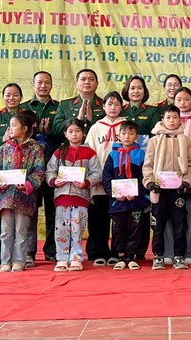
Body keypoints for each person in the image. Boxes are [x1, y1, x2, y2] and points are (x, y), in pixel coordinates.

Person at [0, 112, 45, 272]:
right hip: (5, 196)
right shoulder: (3, 149)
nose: (10, 129)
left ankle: (19, 260)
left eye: (14, 125)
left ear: (24, 128)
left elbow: (39, 172)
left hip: (24, 196)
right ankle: (5, 261)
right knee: (6, 231)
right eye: (10, 125)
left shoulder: (35, 149)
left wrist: (28, 184)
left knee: (21, 230)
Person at [45, 118, 102, 272]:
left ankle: (76, 258)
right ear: (65, 134)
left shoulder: (90, 153)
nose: (74, 134)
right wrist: (54, 181)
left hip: (81, 197)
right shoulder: (59, 152)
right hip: (62, 197)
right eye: (70, 131)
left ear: (83, 133)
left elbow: (97, 173)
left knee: (77, 228)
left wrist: (86, 182)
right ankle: (62, 258)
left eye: (77, 131)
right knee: (61, 229)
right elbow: (50, 170)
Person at [143, 105, 191, 270]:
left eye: (175, 117)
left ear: (180, 119)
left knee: (180, 225)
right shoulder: (154, 141)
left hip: (178, 191)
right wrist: (150, 183)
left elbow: (190, 165)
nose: (172, 121)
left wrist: (186, 183)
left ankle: (179, 256)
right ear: (162, 120)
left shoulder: (186, 141)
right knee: (158, 224)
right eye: (168, 117)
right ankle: (158, 256)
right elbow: (148, 165)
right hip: (159, 190)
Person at [0, 83, 25, 266]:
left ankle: (21, 255)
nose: (11, 98)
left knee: (22, 213)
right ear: (3, 97)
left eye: (15, 95)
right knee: (0, 212)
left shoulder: (26, 115)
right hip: (1, 168)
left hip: (23, 168)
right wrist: (1, 140)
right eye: (8, 95)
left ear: (21, 97)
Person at [21, 71, 59, 263]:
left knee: (53, 210)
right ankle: (29, 251)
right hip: (30, 169)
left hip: (53, 166)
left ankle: (51, 250)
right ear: (33, 85)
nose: (43, 86)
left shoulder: (59, 108)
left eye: (47, 82)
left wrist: (49, 131)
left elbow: (66, 133)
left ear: (51, 85)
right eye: (39, 82)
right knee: (30, 210)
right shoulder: (23, 108)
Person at [84, 91, 126, 266]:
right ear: (103, 106)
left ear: (121, 107)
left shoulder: (126, 126)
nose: (113, 107)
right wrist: (96, 175)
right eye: (109, 104)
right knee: (99, 218)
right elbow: (89, 152)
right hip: (100, 180)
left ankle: (117, 252)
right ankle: (99, 252)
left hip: (121, 180)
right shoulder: (96, 127)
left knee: (119, 218)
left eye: (116, 104)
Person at [120, 75, 160, 260]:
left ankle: (140, 249)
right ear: (126, 91)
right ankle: (122, 249)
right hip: (122, 163)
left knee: (143, 206)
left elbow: (155, 138)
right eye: (132, 88)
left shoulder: (152, 112)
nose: (136, 91)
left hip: (144, 163)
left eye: (139, 88)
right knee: (123, 209)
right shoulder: (120, 110)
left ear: (145, 91)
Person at [102, 120, 149, 270]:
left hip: (136, 201)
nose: (127, 137)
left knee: (135, 229)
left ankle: (131, 257)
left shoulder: (141, 154)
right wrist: (114, 194)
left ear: (137, 136)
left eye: (131, 133)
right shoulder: (113, 155)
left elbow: (145, 176)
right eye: (124, 133)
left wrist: (137, 192)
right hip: (118, 202)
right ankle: (121, 257)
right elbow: (106, 177)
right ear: (119, 136)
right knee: (118, 230)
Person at [169, 86, 191, 263]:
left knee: (190, 216)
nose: (182, 103)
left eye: (186, 99)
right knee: (169, 218)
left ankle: (190, 252)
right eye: (179, 100)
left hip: (190, 175)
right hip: (168, 179)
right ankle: (169, 253)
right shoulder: (164, 125)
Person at [52, 69, 104, 137]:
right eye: (83, 79)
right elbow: (56, 130)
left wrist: (92, 120)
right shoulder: (65, 105)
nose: (87, 82)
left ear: (97, 84)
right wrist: (77, 119)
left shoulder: (105, 104)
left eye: (91, 79)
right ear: (76, 84)